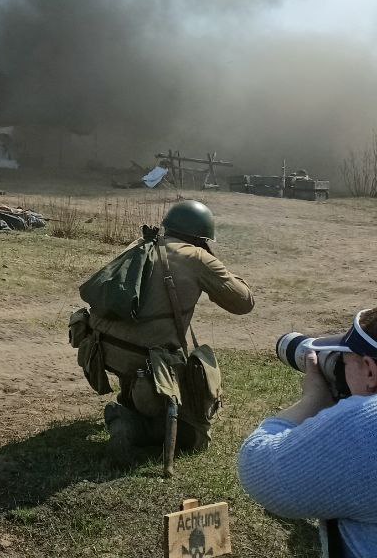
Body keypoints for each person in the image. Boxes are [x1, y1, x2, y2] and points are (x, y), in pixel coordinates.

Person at [73, 199, 254, 455]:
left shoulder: (139, 244)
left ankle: (131, 405)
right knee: (195, 437)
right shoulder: (198, 258)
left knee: (144, 347)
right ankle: (132, 425)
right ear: (203, 237)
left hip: (102, 348)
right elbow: (243, 303)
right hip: (147, 359)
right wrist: (214, 262)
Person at [239, 308, 377, 557]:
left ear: (370, 371)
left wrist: (313, 399)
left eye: (344, 362)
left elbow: (258, 468)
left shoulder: (365, 423)